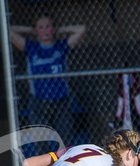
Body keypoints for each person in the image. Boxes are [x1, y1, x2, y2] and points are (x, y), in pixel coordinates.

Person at [10, 14, 86, 155]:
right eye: (41, 27)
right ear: (36, 30)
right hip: (38, 101)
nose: (45, 30)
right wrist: (31, 30)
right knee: (41, 144)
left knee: (64, 142)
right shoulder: (31, 48)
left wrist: (60, 30)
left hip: (61, 100)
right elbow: (8, 30)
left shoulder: (61, 46)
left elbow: (81, 29)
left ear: (54, 28)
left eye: (48, 27)